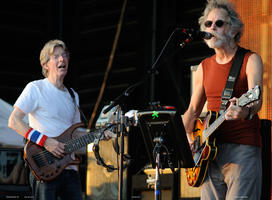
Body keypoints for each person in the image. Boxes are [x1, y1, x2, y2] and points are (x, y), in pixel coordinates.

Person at [8, 39, 113, 200]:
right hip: (45, 167)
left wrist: (100, 134)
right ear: (45, 64)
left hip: (70, 169)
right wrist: (46, 142)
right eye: (56, 56)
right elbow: (14, 121)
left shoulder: (73, 95)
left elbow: (77, 133)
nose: (62, 59)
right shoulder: (35, 88)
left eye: (64, 55)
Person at [182, 0, 263, 199]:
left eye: (219, 23)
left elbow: (256, 101)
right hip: (208, 155)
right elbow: (192, 110)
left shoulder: (250, 59)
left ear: (234, 29)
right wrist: (187, 140)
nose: (212, 28)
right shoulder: (204, 66)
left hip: (241, 150)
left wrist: (244, 111)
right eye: (208, 24)